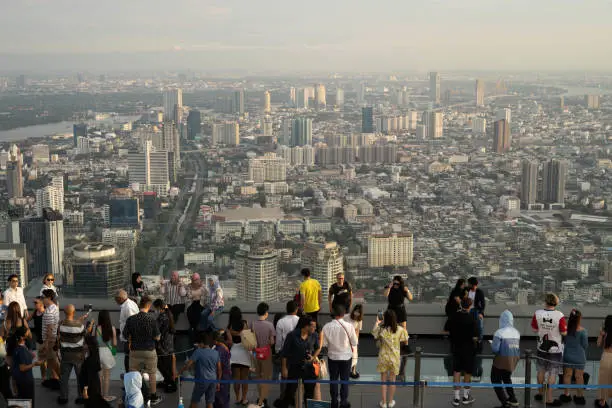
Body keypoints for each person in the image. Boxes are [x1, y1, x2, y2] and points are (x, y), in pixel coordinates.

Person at [122, 295, 162, 405]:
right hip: (149, 350)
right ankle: (153, 397)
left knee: (133, 373)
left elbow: (125, 335)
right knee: (152, 373)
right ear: (148, 305)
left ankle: (134, 396)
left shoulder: (131, 319)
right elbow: (158, 337)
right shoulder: (152, 319)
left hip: (135, 351)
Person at [274, 315, 318, 408]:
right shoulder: (292, 335)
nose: (313, 328)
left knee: (309, 392)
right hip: (294, 367)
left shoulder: (314, 335)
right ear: (305, 326)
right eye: (311, 325)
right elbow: (284, 353)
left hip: (309, 368)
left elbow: (317, 348)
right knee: (290, 392)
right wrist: (284, 368)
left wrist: (313, 357)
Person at [531, 293, 566, 407]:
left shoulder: (538, 313)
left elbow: (534, 329)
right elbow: (563, 332)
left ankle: (541, 394)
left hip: (541, 348)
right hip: (555, 351)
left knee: (540, 371)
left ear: (545, 302)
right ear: (556, 302)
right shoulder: (559, 315)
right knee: (552, 373)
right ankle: (549, 399)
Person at [444, 298, 478, 407]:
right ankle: (466, 397)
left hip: (456, 348)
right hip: (469, 349)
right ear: (470, 306)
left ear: (461, 305)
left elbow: (445, 330)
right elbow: (475, 336)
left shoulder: (453, 316)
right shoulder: (472, 318)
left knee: (456, 372)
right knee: (468, 372)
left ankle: (456, 398)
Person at [323, 304, 358, 408]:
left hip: (332, 357)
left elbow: (324, 344)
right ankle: (343, 402)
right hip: (346, 357)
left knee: (333, 380)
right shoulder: (349, 326)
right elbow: (354, 342)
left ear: (334, 313)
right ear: (343, 314)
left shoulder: (326, 326)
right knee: (344, 380)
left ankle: (334, 401)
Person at [372, 309, 408, 408]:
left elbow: (374, 334)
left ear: (385, 318)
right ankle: (390, 402)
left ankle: (383, 403)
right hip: (395, 358)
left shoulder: (381, 329)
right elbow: (405, 340)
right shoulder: (400, 329)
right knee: (392, 381)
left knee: (383, 381)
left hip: (383, 357)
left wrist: (377, 322)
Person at [179, 331, 221, 408]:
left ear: (201, 342)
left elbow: (188, 365)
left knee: (194, 401)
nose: (197, 345)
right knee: (209, 403)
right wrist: (218, 381)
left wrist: (179, 372)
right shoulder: (216, 352)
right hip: (213, 380)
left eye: (198, 343)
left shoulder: (198, 351)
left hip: (202, 380)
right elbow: (219, 369)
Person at [57, 304, 89, 405]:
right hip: (78, 356)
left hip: (65, 355)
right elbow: (85, 335)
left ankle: (63, 398)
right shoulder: (80, 326)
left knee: (64, 378)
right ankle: (80, 397)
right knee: (80, 377)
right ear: (74, 313)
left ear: (64, 312)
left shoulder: (60, 325)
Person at [491, 310, 520, 408]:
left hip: (502, 359)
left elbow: (495, 349)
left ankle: (504, 402)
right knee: (507, 378)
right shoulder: (516, 332)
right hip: (514, 359)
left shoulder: (499, 332)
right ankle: (513, 398)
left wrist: (492, 343)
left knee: (495, 379)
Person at [560, 309, 587, 405]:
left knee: (567, 375)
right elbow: (585, 345)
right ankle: (579, 397)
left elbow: (564, 341)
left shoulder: (566, 330)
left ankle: (566, 395)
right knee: (579, 377)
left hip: (568, 356)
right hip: (580, 357)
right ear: (579, 319)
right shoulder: (583, 331)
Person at [251, 302, 275, 408]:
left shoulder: (253, 324)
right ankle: (262, 400)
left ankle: (260, 398)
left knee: (259, 376)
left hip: (256, 353)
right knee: (266, 377)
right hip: (266, 353)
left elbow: (251, 339)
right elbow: (272, 341)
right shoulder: (270, 325)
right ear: (266, 312)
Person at [274, 301, 300, 397]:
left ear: (286, 309)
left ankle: (284, 396)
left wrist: (277, 351)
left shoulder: (281, 322)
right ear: (296, 309)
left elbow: (279, 340)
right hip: (297, 353)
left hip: (285, 353)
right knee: (296, 376)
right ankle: (295, 397)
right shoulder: (300, 320)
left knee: (284, 375)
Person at [80, 335, 112, 408]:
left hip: (90, 389)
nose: (83, 345)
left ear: (89, 346)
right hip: (94, 387)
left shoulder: (89, 361)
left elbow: (87, 377)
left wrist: (85, 390)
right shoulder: (94, 357)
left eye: (85, 343)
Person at [227, 306, 250, 406]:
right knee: (244, 377)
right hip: (244, 352)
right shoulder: (244, 323)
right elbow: (247, 336)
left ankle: (237, 398)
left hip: (234, 353)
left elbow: (230, 342)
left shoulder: (229, 327)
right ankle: (244, 399)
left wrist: (232, 333)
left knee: (236, 378)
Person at [11, 326, 42, 402]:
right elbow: (22, 368)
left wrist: (30, 355)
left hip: (20, 380)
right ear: (22, 337)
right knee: (27, 402)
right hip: (25, 381)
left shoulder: (19, 347)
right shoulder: (21, 350)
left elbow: (17, 363)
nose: (29, 332)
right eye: (27, 332)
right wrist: (35, 364)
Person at [153, 298, 176, 394]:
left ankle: (170, 382)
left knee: (161, 364)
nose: (154, 310)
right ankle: (168, 381)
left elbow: (156, 331)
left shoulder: (162, 317)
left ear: (158, 307)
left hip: (162, 345)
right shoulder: (169, 314)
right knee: (168, 364)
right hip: (169, 344)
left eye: (155, 308)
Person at [40, 289, 60, 388]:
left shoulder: (48, 311)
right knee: (52, 361)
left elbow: (50, 328)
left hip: (50, 340)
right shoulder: (55, 307)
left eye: (43, 298)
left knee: (53, 361)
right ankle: (56, 380)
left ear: (48, 298)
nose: (41, 300)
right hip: (53, 338)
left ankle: (61, 380)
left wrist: (46, 343)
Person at [116, 289, 139, 373]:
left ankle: (130, 382)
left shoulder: (128, 306)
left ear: (120, 298)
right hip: (128, 338)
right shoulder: (127, 305)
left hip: (130, 340)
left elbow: (133, 324)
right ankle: (129, 382)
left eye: (116, 299)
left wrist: (130, 341)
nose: (116, 301)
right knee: (128, 361)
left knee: (129, 361)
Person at [96, 310, 117, 402]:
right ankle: (105, 396)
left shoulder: (96, 328)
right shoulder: (112, 328)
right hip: (107, 353)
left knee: (99, 377)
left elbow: (93, 342)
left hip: (97, 353)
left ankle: (99, 396)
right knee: (107, 377)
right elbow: (115, 343)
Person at [2, 301, 31, 367]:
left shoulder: (6, 322)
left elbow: (2, 338)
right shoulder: (23, 321)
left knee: (12, 369)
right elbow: (30, 336)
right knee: (23, 368)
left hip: (10, 348)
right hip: (22, 348)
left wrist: (7, 336)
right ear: (19, 309)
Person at [28, 296, 46, 379]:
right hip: (39, 341)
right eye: (34, 302)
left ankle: (54, 378)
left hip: (47, 340)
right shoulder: (35, 312)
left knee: (50, 360)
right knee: (41, 360)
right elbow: (26, 319)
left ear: (42, 303)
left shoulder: (46, 313)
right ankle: (43, 378)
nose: (34, 304)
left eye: (36, 303)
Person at [596, 315, 612, 408]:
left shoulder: (604, 333)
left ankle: (602, 401)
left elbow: (598, 344)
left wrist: (600, 335)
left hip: (606, 357)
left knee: (604, 380)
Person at [344, 304, 363, 379]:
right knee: (346, 355)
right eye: (356, 311)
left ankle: (353, 370)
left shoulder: (359, 320)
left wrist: (356, 342)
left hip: (353, 340)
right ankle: (346, 370)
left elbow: (357, 331)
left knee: (355, 354)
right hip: (345, 339)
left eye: (358, 312)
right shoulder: (346, 317)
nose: (356, 314)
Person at [214, 330, 231, 408]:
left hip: (221, 376)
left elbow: (219, 366)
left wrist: (218, 380)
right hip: (225, 375)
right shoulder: (224, 347)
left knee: (221, 398)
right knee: (224, 396)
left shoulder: (219, 349)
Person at [186, 273, 207, 338]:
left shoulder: (203, 286)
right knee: (190, 312)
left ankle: (196, 331)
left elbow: (205, 294)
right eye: (193, 280)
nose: (195, 281)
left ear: (199, 280)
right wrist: (198, 293)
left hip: (201, 303)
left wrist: (194, 294)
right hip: (191, 304)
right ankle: (194, 330)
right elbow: (189, 295)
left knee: (199, 313)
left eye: (196, 280)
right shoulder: (189, 286)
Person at [467, 277, 486, 344]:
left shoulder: (479, 292)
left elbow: (483, 304)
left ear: (473, 284)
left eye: (469, 284)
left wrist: (481, 313)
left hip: (476, 310)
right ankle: (468, 338)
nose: (468, 285)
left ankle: (479, 339)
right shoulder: (467, 290)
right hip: (467, 310)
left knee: (479, 325)